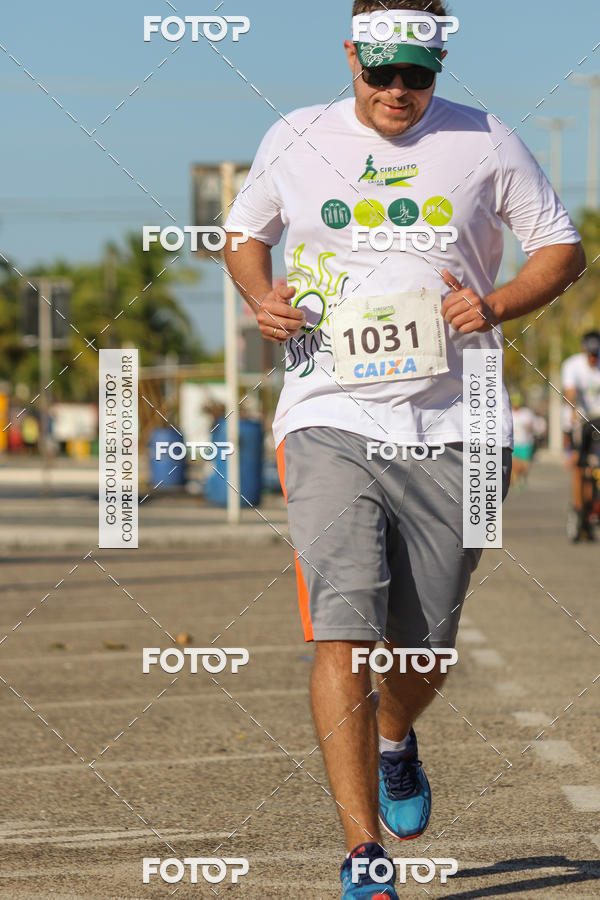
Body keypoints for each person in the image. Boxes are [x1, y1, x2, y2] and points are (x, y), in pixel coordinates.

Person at [224, 2, 585, 896]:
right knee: (341, 627)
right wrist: (259, 295)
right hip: (326, 413)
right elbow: (244, 235)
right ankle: (362, 853)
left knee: (423, 649)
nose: (396, 92)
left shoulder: (488, 141)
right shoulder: (296, 135)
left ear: (438, 63)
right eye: (379, 72)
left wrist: (495, 303)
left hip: (456, 422)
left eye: (415, 75)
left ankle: (395, 736)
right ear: (350, 55)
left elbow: (562, 250)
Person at [561, 331, 600, 535]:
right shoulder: (572, 365)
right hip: (580, 420)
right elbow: (570, 391)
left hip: (599, 419)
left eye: (597, 354)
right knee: (579, 465)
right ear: (584, 350)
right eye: (591, 354)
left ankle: (594, 507)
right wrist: (573, 408)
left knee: (595, 467)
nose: (593, 358)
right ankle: (578, 509)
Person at [510, 393, 546, 490]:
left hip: (526, 442)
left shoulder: (527, 413)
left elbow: (534, 426)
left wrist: (530, 428)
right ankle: (516, 478)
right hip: (514, 442)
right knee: (514, 463)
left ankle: (521, 476)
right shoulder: (508, 412)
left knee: (525, 465)